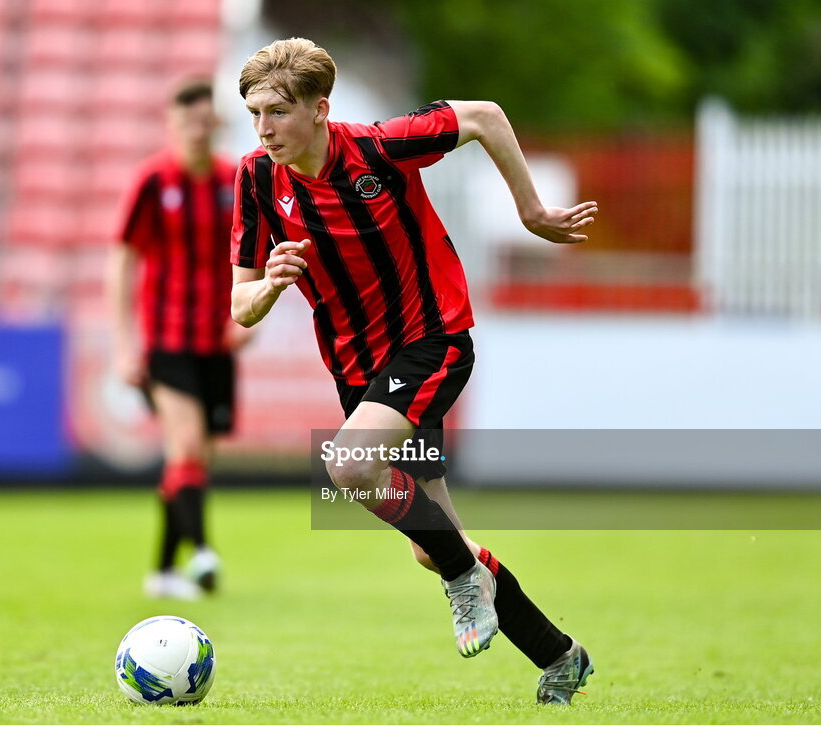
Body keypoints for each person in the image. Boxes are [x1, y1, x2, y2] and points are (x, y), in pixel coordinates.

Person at [230, 38, 599, 704]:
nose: (264, 128)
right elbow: (241, 306)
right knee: (435, 545)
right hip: (359, 370)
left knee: (347, 467)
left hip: (433, 340)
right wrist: (272, 285)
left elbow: (484, 114)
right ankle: (559, 654)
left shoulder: (378, 147)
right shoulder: (256, 179)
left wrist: (531, 211)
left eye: (278, 112)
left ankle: (467, 585)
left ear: (320, 109)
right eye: (255, 112)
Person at [108, 80, 248, 601]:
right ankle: (203, 553)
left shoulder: (235, 180)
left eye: (204, 120)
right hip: (166, 343)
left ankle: (163, 572)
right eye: (186, 120)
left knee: (191, 462)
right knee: (186, 446)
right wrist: (124, 345)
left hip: (218, 344)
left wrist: (247, 321)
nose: (195, 129)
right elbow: (122, 261)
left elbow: (256, 253)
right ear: (171, 123)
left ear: (216, 124)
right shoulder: (152, 181)